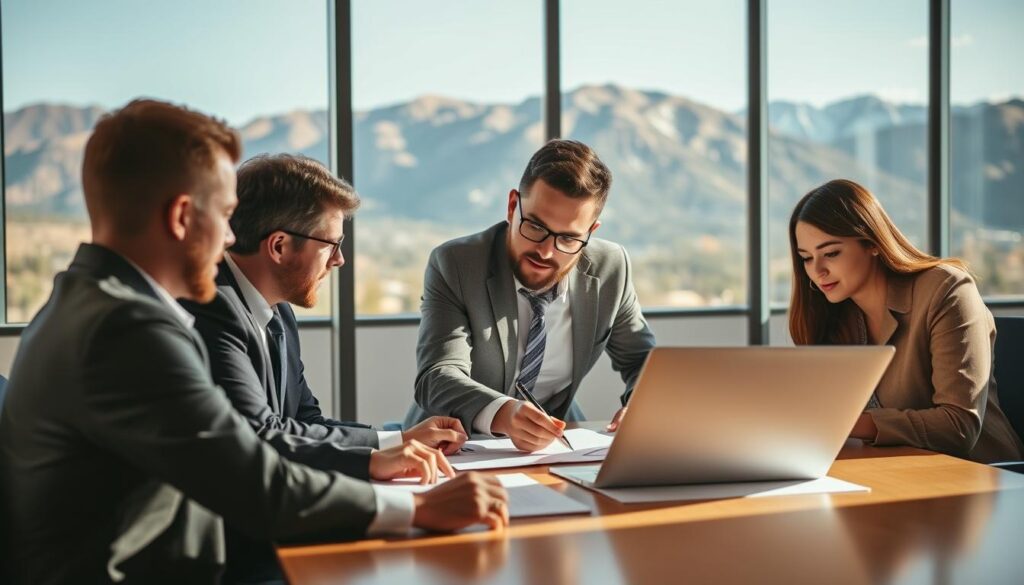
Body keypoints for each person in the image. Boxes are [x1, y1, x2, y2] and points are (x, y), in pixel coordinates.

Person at [0, 100, 507, 585]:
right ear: (181, 218)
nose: (228, 240)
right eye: (223, 215)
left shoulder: (85, 303)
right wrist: (417, 507)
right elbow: (253, 479)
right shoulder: (127, 330)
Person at [183, 153, 468, 483]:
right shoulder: (213, 307)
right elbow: (259, 433)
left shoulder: (279, 313)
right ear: (279, 246)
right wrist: (371, 462)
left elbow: (304, 420)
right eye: (332, 244)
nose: (339, 260)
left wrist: (399, 440)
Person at [405, 139, 656, 452]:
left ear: (591, 231)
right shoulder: (456, 263)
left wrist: (645, 409)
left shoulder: (610, 269)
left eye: (568, 238)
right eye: (536, 226)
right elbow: (437, 376)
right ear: (512, 206)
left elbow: (644, 360)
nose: (546, 251)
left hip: (554, 448)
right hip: (450, 447)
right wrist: (504, 413)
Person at [789, 178, 1023, 463]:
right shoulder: (833, 317)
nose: (817, 271)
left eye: (831, 253)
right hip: (890, 471)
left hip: (981, 477)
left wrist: (847, 423)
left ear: (873, 243)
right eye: (806, 258)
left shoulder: (946, 289)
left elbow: (958, 426)